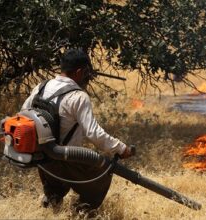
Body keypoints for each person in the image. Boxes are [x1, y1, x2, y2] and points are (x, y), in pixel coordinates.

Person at [21, 48, 134, 212]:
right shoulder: (78, 96)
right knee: (102, 174)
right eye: (87, 72)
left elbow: (23, 115)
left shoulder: (41, 87)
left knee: (55, 189)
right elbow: (94, 133)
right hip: (65, 159)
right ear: (80, 72)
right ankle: (82, 212)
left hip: (42, 160)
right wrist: (122, 148)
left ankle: (51, 202)